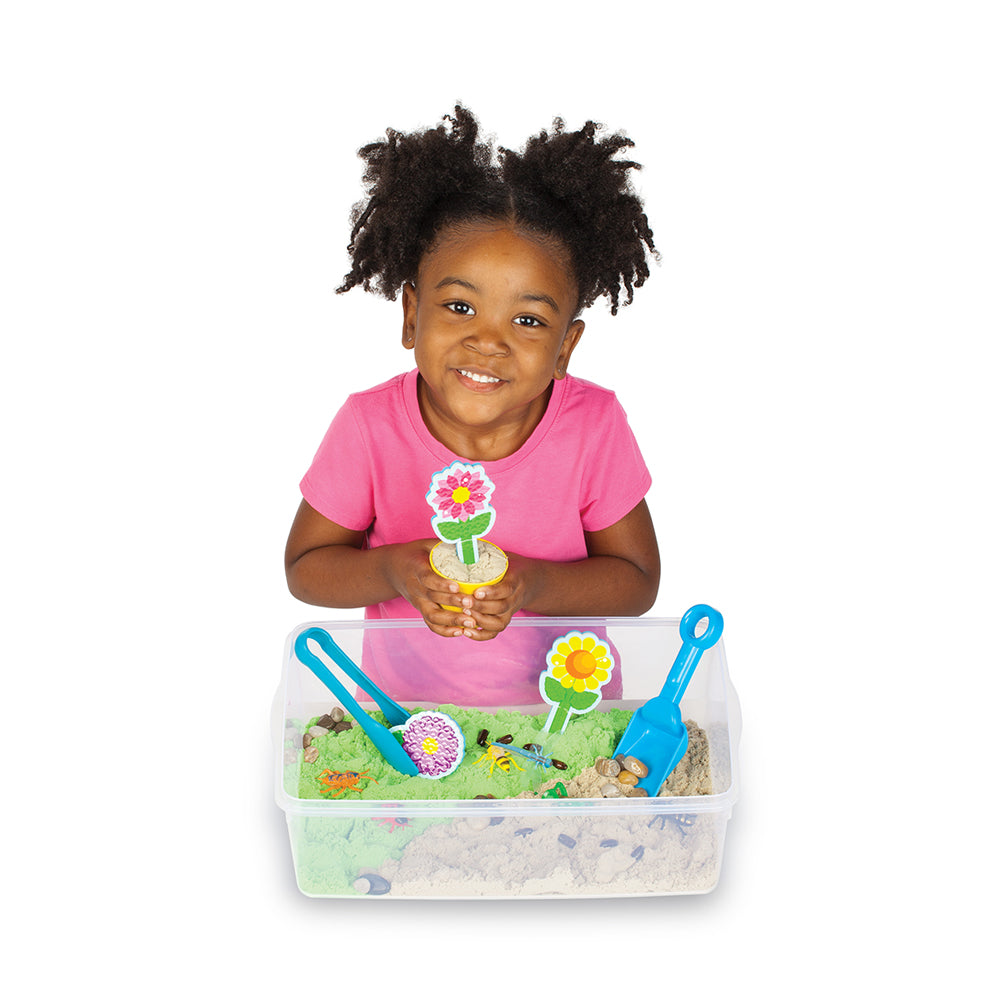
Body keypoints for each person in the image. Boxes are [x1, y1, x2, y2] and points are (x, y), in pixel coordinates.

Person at [285, 106, 660, 704]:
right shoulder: (370, 426)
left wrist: (530, 584)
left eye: (528, 320)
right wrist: (391, 571)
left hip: (566, 720)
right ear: (412, 315)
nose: (488, 341)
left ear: (566, 347)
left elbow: (638, 583)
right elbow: (305, 568)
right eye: (460, 307)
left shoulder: (593, 426)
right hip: (405, 721)